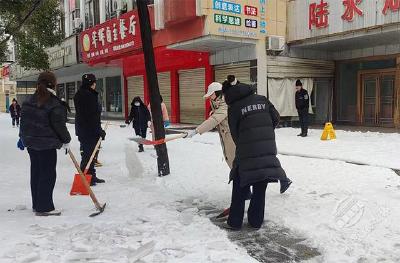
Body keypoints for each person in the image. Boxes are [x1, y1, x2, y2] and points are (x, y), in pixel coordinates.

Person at [222, 75, 291, 230]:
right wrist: (264, 132)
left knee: (239, 184)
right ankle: (255, 221)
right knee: (261, 184)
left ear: (228, 94)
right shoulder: (262, 99)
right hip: (267, 148)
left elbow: (235, 134)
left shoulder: (234, 108)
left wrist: (247, 139)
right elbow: (275, 117)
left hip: (246, 150)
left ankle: (235, 222)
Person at [19, 71, 71, 216]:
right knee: (47, 174)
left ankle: (37, 204)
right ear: (53, 84)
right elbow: (59, 125)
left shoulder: (29, 100)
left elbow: (23, 122)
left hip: (31, 143)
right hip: (47, 145)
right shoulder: (54, 103)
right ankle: (45, 207)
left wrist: (23, 137)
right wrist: (66, 140)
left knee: (36, 173)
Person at [184, 82, 235, 168]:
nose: (210, 97)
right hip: (226, 134)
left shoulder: (226, 103)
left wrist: (196, 131)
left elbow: (214, 120)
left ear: (216, 93)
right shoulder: (216, 102)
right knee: (231, 160)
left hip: (232, 136)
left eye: (211, 94)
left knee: (234, 160)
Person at [74, 74, 106, 186]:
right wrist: (99, 130)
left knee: (90, 154)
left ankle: (91, 176)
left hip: (84, 129)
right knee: (88, 155)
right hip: (89, 130)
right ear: (91, 83)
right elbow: (91, 117)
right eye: (94, 82)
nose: (95, 85)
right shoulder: (88, 96)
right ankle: (86, 178)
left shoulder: (79, 94)